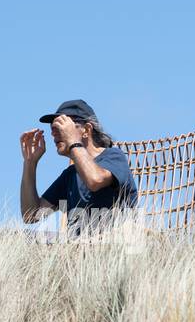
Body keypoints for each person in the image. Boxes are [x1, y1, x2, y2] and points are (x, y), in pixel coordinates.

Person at [19, 100, 138, 234]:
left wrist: (73, 142)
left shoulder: (113, 156)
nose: (54, 134)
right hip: (77, 248)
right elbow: (31, 215)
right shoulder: (70, 175)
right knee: (9, 234)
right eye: (53, 128)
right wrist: (30, 163)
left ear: (86, 130)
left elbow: (95, 180)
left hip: (113, 242)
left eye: (62, 127)